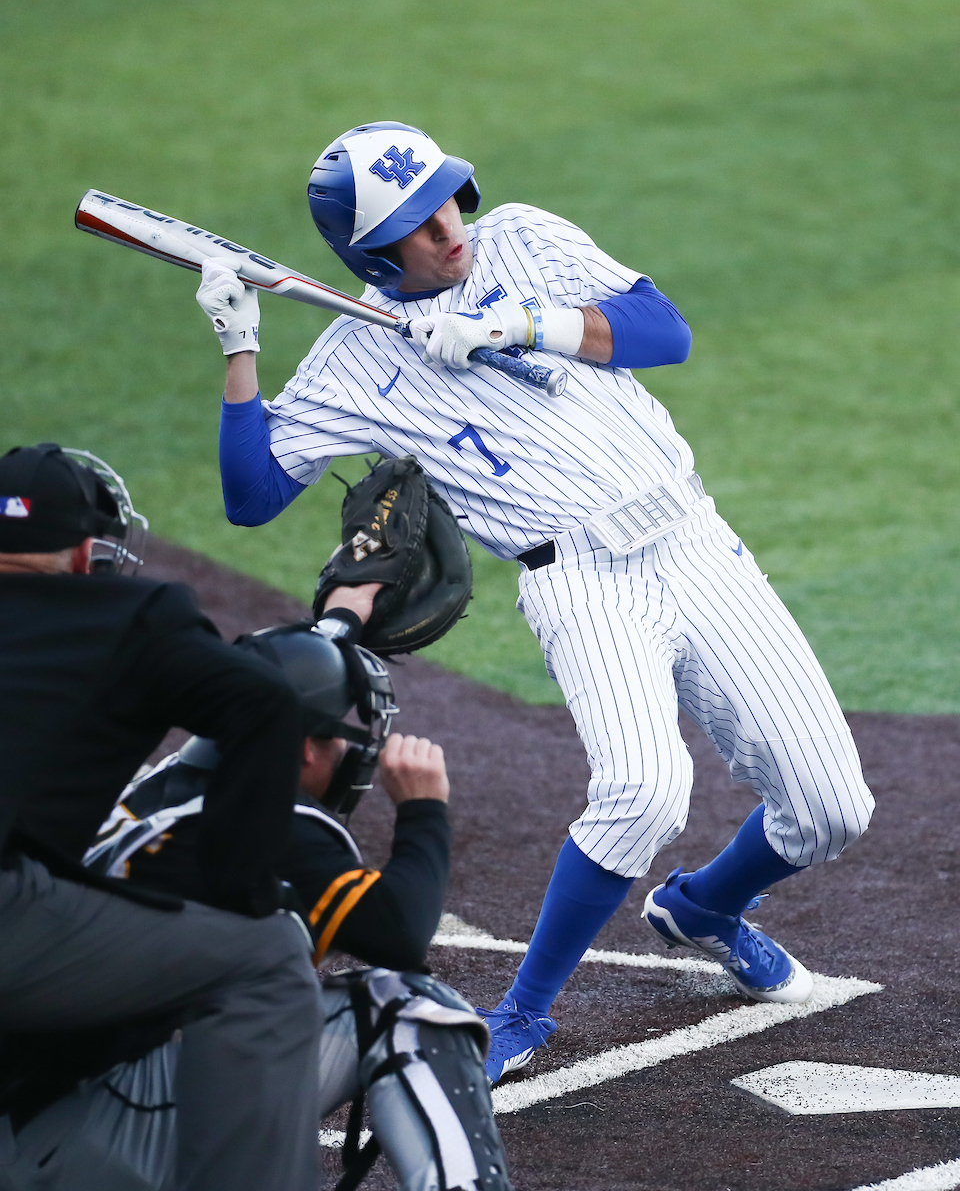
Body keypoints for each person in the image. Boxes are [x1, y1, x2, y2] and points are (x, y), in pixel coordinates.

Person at [194, 121, 876, 1084]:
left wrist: (521, 324)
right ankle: (522, 1013)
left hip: (696, 543)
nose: (450, 229)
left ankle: (706, 909)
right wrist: (240, 349)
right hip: (583, 584)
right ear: (371, 257)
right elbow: (252, 495)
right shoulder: (353, 365)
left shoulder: (521, 238)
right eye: (420, 228)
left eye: (447, 202)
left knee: (832, 808)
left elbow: (663, 330)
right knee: (642, 791)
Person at [3, 608, 513, 1191]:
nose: (353, 752)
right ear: (303, 748)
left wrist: (343, 616)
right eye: (342, 734)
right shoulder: (273, 825)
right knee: (408, 1006)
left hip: (35, 1118)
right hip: (99, 1134)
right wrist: (424, 810)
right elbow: (400, 933)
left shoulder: (154, 787)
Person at [0, 443, 323, 1189]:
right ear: (86, 553)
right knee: (264, 961)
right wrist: (240, 890)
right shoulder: (129, 611)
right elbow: (264, 701)